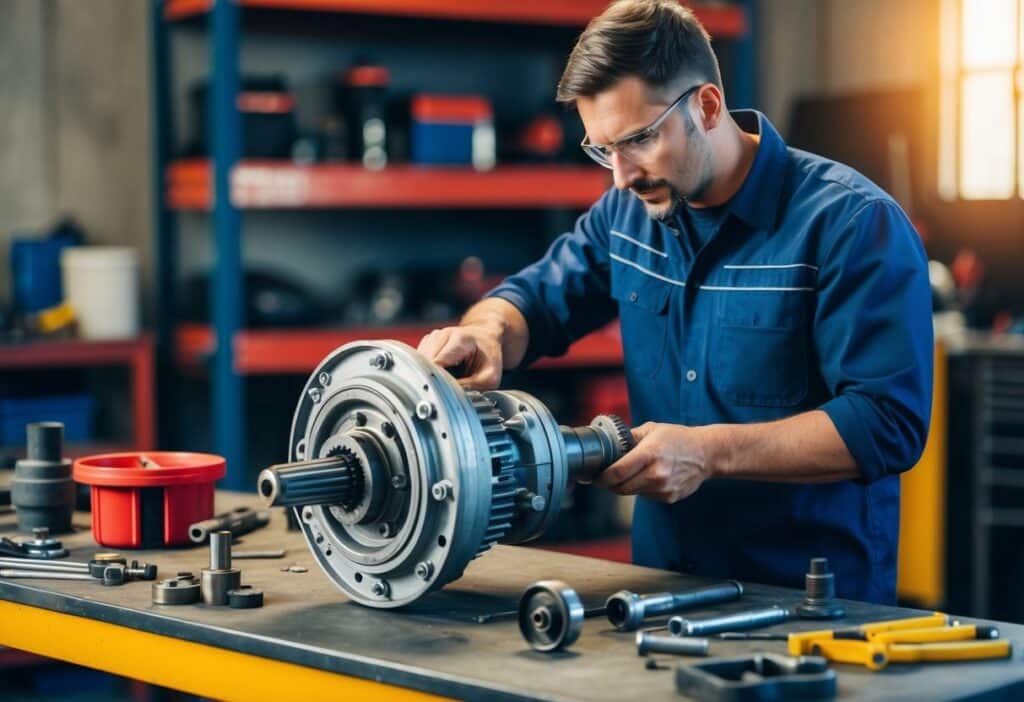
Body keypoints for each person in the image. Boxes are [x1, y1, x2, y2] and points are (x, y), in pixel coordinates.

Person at [417, 0, 932, 604]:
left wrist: (708, 452)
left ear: (707, 106)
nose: (620, 176)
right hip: (662, 591)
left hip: (811, 602)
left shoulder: (850, 224)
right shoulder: (627, 213)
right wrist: (488, 333)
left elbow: (887, 424)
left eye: (638, 140)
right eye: (601, 148)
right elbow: (532, 300)